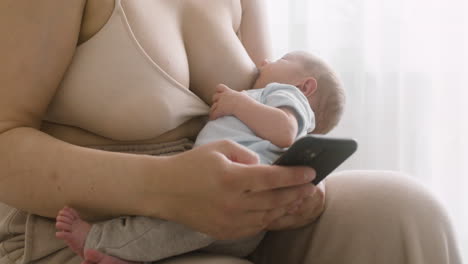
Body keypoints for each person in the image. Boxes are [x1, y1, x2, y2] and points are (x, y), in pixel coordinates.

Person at [0, 0, 462, 264]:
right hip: (81, 229)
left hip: (234, 224)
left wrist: (289, 190)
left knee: (408, 214)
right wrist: (165, 187)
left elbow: (267, 108)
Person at [54, 50, 345, 264]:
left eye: (282, 59)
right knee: (172, 240)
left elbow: (284, 131)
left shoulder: (286, 96)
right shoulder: (277, 106)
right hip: (242, 222)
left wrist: (237, 103)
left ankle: (101, 241)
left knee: (162, 228)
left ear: (306, 86)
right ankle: (129, 259)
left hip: (230, 198)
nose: (265, 63)